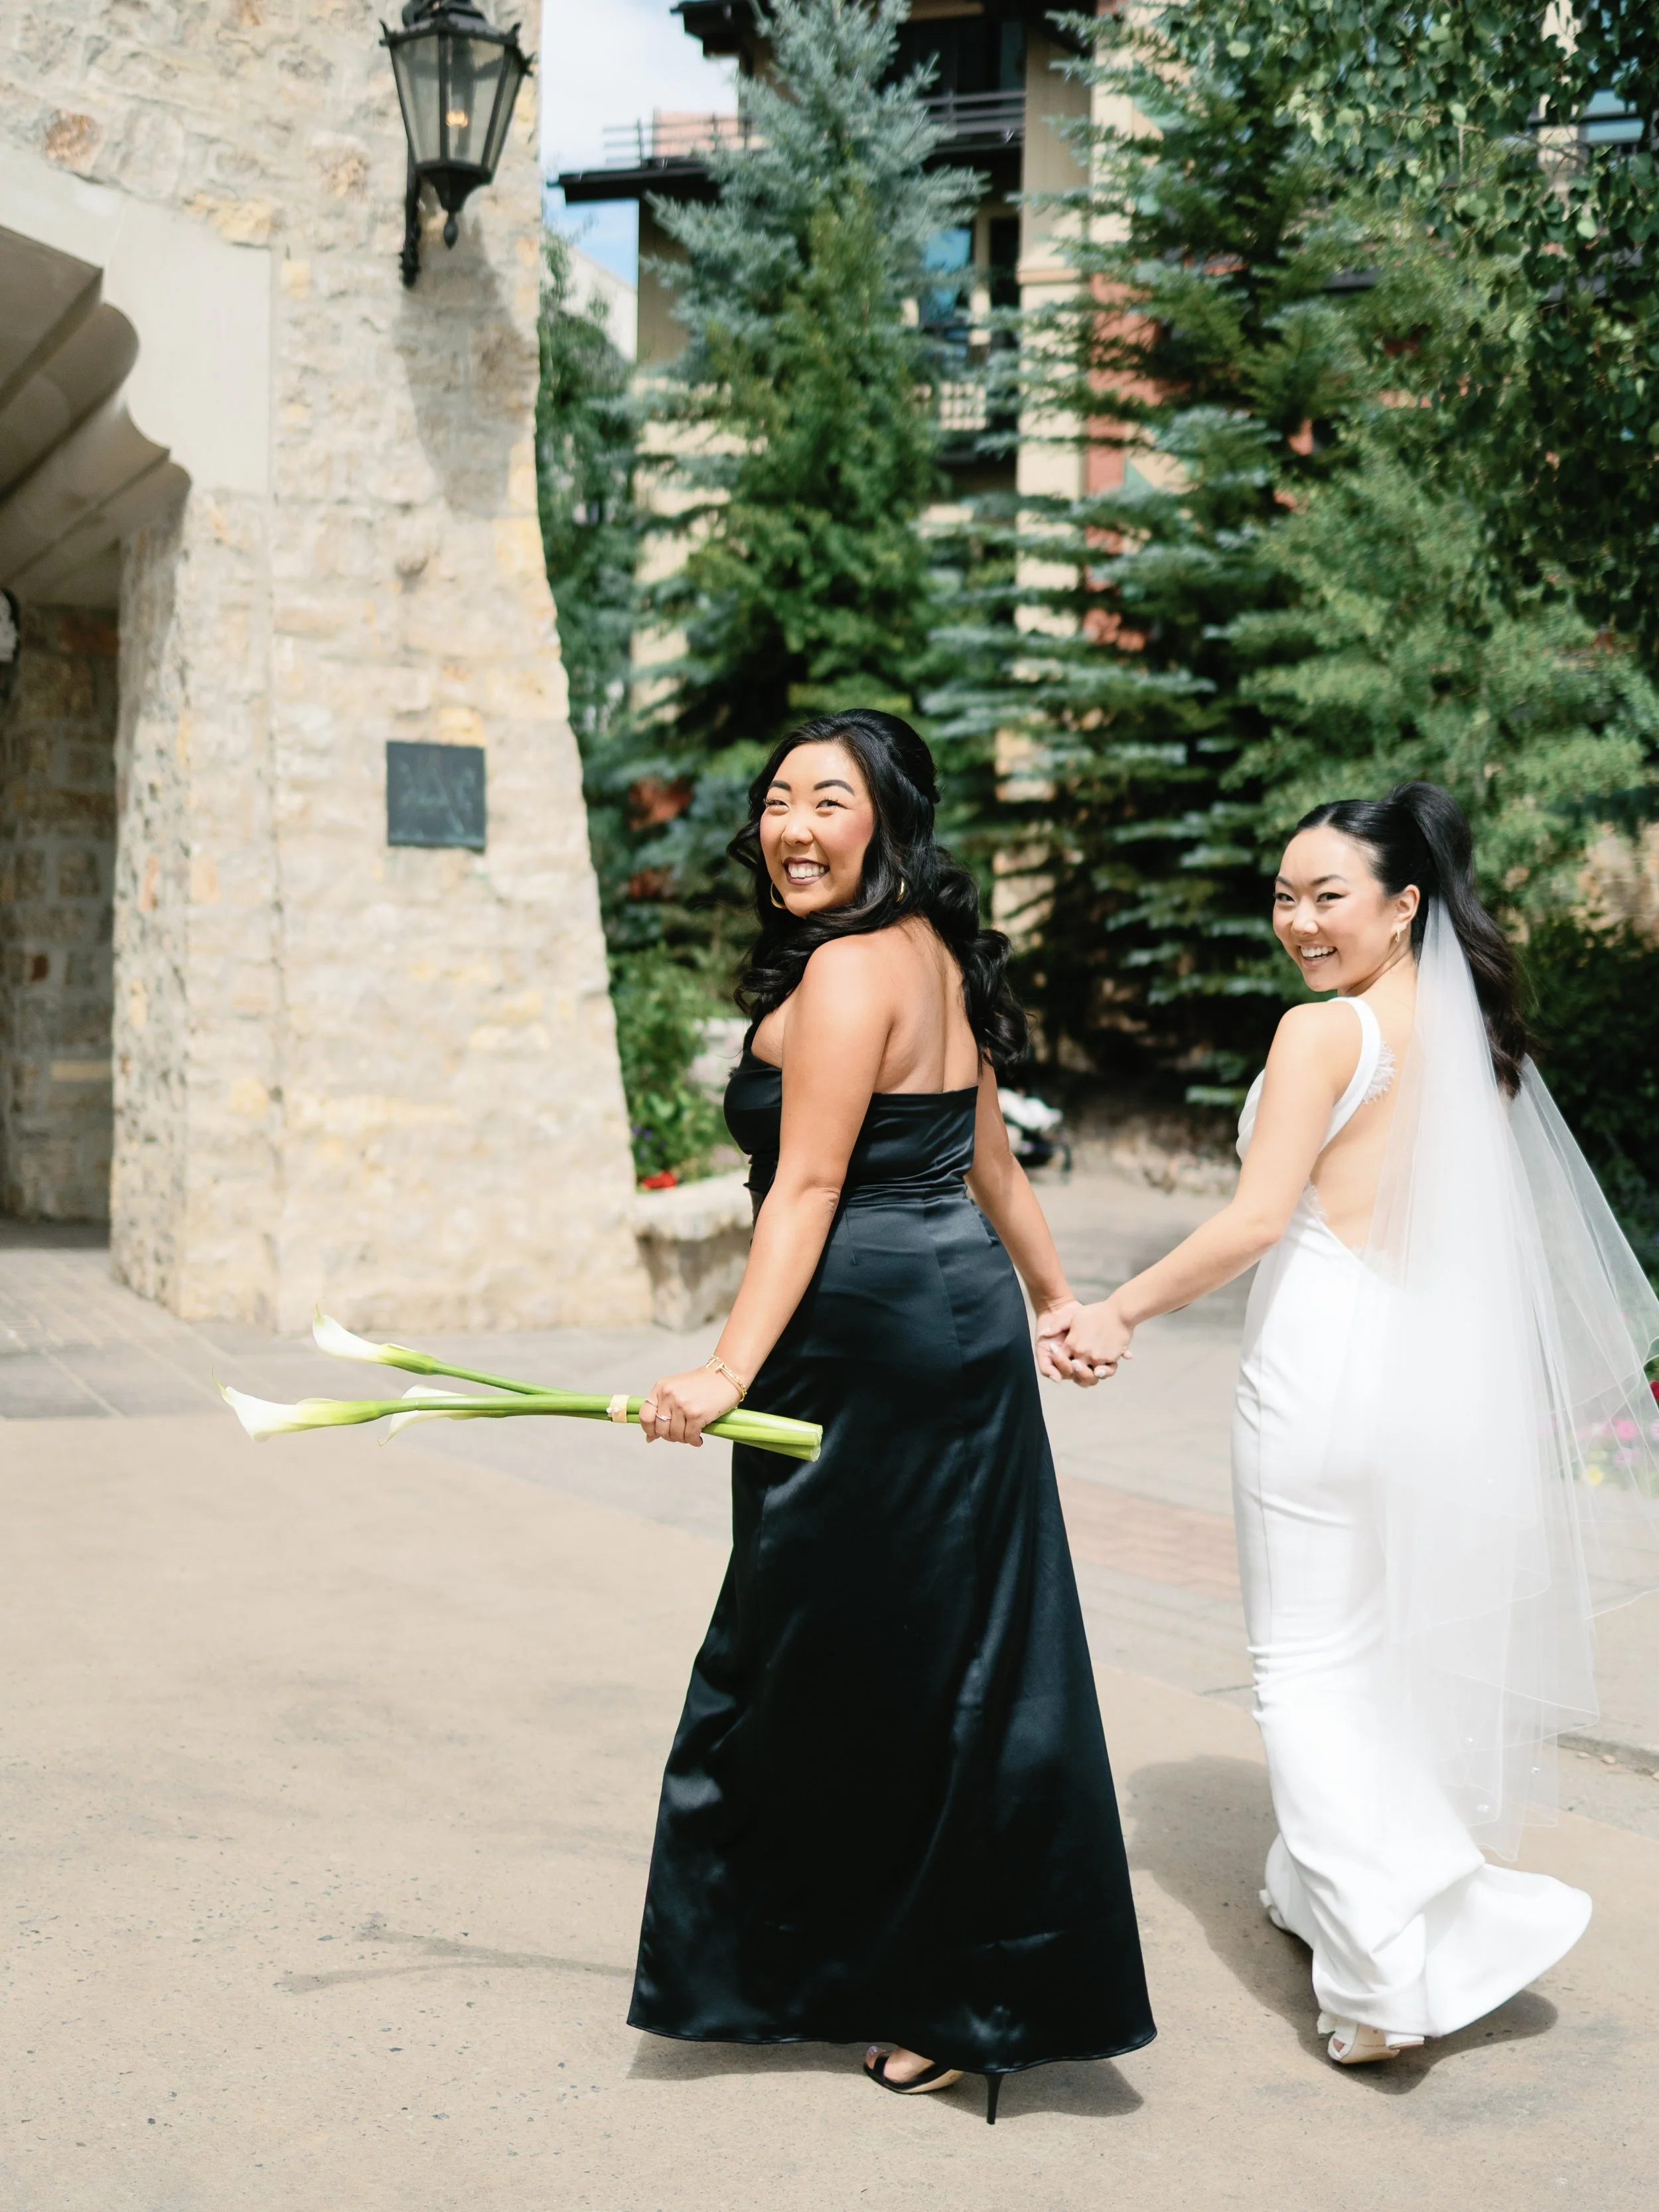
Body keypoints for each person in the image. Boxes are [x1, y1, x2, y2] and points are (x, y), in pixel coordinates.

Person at [1058, 782, 1659, 2063]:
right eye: (1285, 893)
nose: (1299, 919)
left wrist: (1120, 1311)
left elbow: (1254, 1220)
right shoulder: (1470, 1042)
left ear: (1405, 906)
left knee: (1304, 1670)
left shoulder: (1322, 1034)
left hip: (1322, 1368)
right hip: (1426, 1379)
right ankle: (1348, 1896)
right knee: (1372, 1656)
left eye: (1329, 894)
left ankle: (1385, 1979)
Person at [626, 710, 1155, 2121]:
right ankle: (908, 1962)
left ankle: (939, 1986)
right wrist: (1049, 1299)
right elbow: (988, 1159)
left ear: (888, 823)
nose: (793, 827)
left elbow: (803, 1188)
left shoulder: (858, 965)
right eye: (778, 801)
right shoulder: (926, 955)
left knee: (827, 1654)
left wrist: (724, 1372)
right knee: (940, 1652)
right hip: (947, 1325)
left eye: (829, 801)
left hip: (861, 1345)